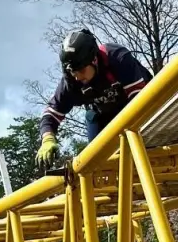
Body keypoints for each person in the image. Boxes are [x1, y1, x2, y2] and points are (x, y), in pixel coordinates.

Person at [36, 29, 153, 167]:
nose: (77, 76)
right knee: (95, 162)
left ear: (94, 60)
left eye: (81, 70)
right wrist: (47, 139)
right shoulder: (71, 82)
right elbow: (50, 114)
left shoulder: (117, 58)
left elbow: (139, 100)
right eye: (73, 71)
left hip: (139, 103)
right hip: (102, 116)